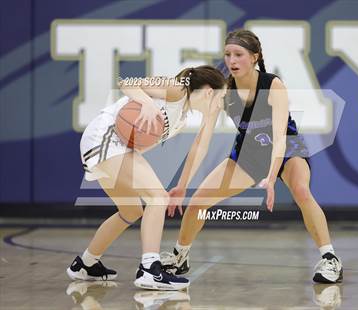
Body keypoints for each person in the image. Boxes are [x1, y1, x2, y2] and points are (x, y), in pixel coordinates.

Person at [162, 29, 343, 284]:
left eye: (238, 54)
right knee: (197, 202)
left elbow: (280, 137)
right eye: (227, 55)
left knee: (301, 191)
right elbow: (202, 142)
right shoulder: (223, 92)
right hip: (248, 154)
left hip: (287, 150)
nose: (232, 61)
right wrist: (181, 185)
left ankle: (330, 259)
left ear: (255, 57)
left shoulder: (273, 84)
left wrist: (270, 178)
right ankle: (180, 257)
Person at [66, 65, 227, 290]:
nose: (222, 104)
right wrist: (148, 103)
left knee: (131, 211)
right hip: (105, 137)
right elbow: (126, 82)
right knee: (157, 197)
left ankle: (85, 264)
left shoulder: (180, 116)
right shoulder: (177, 88)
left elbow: (200, 146)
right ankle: (150, 269)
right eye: (221, 97)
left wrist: (182, 185)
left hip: (117, 146)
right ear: (210, 91)